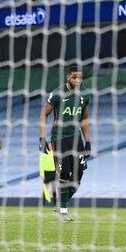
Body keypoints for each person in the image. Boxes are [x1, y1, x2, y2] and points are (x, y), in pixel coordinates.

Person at [39, 66, 91, 222]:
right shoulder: (57, 94)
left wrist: (87, 141)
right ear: (68, 77)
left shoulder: (84, 95)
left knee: (78, 177)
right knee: (64, 176)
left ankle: (61, 204)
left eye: (80, 78)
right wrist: (42, 138)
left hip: (77, 140)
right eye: (75, 77)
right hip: (60, 139)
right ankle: (62, 211)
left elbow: (85, 119)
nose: (78, 80)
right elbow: (43, 114)